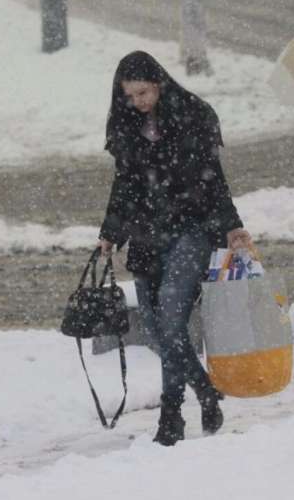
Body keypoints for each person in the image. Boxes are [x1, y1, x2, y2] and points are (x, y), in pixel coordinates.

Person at [98, 51, 252, 446]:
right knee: (155, 327)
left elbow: (213, 178)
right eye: (130, 96)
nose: (137, 102)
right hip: (146, 234)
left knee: (169, 315)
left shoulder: (193, 116)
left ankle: (171, 414)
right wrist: (110, 232)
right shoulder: (127, 126)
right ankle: (202, 392)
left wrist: (233, 226)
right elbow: (125, 185)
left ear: (160, 83)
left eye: (143, 92)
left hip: (191, 229)